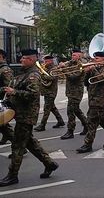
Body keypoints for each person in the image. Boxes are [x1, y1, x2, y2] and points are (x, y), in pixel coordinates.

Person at [0, 49, 59, 187]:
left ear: (31, 60)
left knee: (18, 146)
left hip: (26, 114)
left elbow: (33, 94)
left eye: (24, 58)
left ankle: (12, 176)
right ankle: (50, 164)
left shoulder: (33, 75)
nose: (21, 60)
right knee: (30, 143)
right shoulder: (25, 73)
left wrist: (14, 92)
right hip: (20, 112)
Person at [77, 51, 104, 153]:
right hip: (93, 99)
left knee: (91, 121)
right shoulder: (95, 69)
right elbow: (87, 83)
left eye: (97, 59)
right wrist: (87, 72)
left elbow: (100, 79)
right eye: (94, 58)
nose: (93, 60)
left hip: (101, 100)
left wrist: (93, 69)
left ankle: (88, 144)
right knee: (102, 120)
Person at [60, 49, 88, 140]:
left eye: (75, 55)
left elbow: (73, 77)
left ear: (79, 56)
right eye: (72, 55)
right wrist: (61, 66)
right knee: (76, 110)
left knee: (70, 111)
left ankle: (70, 131)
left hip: (76, 91)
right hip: (70, 91)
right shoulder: (71, 63)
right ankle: (86, 125)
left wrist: (63, 69)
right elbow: (61, 68)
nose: (72, 57)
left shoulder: (81, 65)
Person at [34, 55, 65, 131]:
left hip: (51, 91)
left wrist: (42, 75)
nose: (44, 63)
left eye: (46, 61)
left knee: (46, 109)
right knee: (52, 107)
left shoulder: (54, 69)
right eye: (44, 61)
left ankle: (42, 125)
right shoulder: (46, 68)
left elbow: (52, 78)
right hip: (46, 91)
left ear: (50, 61)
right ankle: (60, 121)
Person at [0, 49, 14, 145]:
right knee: (3, 125)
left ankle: (18, 144)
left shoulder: (5, 69)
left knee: (3, 125)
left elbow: (9, 86)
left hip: (2, 100)